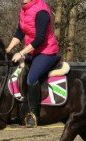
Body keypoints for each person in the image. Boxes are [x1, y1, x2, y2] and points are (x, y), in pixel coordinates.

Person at [6, 0, 60, 128]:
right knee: (15, 70)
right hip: (33, 51)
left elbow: (40, 39)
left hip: (46, 52)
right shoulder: (24, 9)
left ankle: (33, 114)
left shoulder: (42, 11)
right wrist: (8, 49)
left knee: (31, 78)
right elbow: (20, 33)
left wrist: (21, 53)